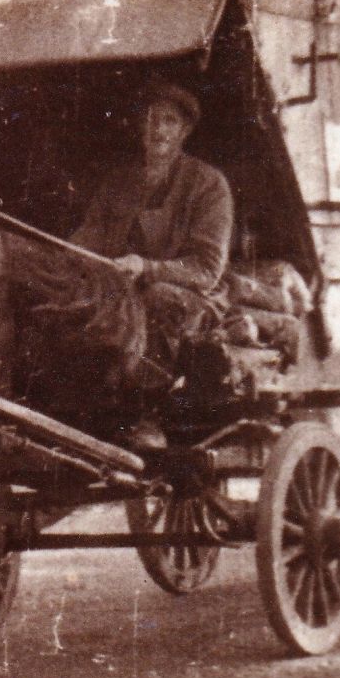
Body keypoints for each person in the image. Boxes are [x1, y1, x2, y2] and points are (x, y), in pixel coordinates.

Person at [69, 78, 234, 447]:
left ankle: (147, 412)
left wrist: (146, 267)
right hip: (120, 289)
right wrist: (66, 252)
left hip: (191, 296)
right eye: (149, 120)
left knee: (157, 297)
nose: (156, 129)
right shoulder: (119, 181)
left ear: (184, 131)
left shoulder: (208, 184)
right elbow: (90, 234)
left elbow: (207, 270)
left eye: (167, 121)